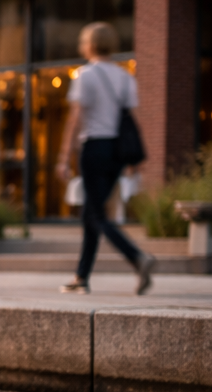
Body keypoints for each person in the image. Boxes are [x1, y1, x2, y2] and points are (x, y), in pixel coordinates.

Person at [55, 21, 154, 295]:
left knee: (96, 214)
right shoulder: (126, 77)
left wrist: (63, 158)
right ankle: (81, 277)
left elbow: (75, 118)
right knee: (91, 213)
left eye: (83, 41)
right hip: (118, 152)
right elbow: (131, 119)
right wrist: (134, 162)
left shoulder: (85, 75)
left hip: (95, 148)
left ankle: (137, 257)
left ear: (90, 45)